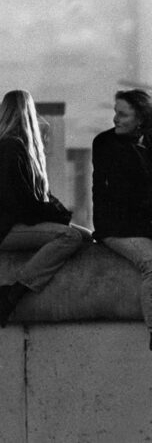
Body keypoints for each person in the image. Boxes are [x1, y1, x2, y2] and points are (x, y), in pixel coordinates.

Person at [0, 89, 90, 328]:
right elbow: (26, 204)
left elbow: (36, 198)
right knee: (70, 237)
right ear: (29, 114)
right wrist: (61, 217)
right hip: (0, 231)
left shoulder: (9, 147)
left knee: (85, 236)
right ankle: (16, 290)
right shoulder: (11, 148)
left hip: (7, 225)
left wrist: (61, 215)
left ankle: (17, 290)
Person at [92, 89, 152, 351]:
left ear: (140, 118)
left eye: (122, 114)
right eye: (116, 113)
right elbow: (122, 195)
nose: (115, 119)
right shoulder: (106, 144)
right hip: (117, 227)